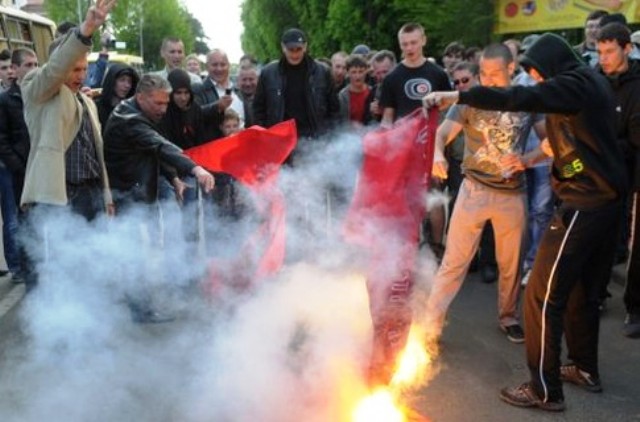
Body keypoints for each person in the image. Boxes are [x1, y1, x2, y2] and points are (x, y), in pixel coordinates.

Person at [424, 32, 627, 412]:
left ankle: (544, 390)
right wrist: (554, 167)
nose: (538, 81)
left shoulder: (573, 84)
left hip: (585, 203)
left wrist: (459, 95)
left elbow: (520, 99)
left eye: (538, 74)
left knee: (540, 294)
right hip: (600, 197)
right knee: (582, 292)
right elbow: (575, 155)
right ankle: (584, 368)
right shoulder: (591, 85)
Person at [425, 44, 546, 345]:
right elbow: (442, 133)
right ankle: (430, 326)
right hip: (473, 191)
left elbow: (551, 142)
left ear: (511, 69)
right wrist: (437, 154)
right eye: (482, 73)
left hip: (512, 195)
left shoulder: (527, 100)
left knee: (511, 264)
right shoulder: (471, 98)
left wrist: (527, 159)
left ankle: (508, 317)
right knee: (454, 262)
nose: (487, 80)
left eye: (494, 74)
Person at [20, 0, 116, 292]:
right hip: (61, 196)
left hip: (91, 195)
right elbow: (54, 70)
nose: (80, 75)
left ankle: (86, 314)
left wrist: (106, 196)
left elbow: (97, 154)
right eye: (74, 68)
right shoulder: (38, 89)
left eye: (84, 69)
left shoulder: (87, 100)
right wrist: (86, 29)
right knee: (63, 267)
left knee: (92, 263)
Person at [103, 74, 215, 322]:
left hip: (138, 191)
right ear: (141, 97)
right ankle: (140, 311)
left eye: (166, 103)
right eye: (158, 103)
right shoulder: (129, 119)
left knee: (141, 250)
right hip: (129, 195)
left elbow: (150, 151)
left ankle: (140, 303)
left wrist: (173, 178)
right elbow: (160, 145)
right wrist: (196, 169)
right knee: (135, 253)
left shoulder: (137, 112)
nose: (164, 109)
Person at [596, 22, 640, 338]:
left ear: (627, 48)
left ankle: (634, 307)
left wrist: (605, 142)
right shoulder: (595, 81)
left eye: (610, 51)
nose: (604, 58)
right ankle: (595, 295)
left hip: (633, 174)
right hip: (598, 175)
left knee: (635, 243)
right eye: (600, 52)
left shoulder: (638, 85)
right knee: (598, 237)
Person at [253, 28, 339, 154]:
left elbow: (334, 110)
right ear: (283, 47)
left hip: (314, 141)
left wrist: (329, 137)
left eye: (298, 49)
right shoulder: (268, 73)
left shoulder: (322, 72)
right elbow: (258, 109)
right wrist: (266, 136)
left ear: (305, 47)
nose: (295, 54)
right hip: (280, 142)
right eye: (291, 50)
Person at [0, 48, 38, 284]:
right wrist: (19, 168)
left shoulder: (41, 94)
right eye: (28, 65)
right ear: (15, 69)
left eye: (36, 64)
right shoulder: (6, 100)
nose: (33, 69)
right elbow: (2, 141)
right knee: (22, 223)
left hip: (41, 170)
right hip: (20, 173)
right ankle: (24, 271)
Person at [192, 49, 246, 138]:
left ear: (228, 65)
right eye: (214, 65)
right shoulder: (198, 89)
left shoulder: (239, 89)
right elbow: (194, 116)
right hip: (216, 145)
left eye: (223, 64)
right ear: (207, 66)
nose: (219, 69)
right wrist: (217, 107)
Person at [338, 54, 372, 126]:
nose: (357, 76)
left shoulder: (373, 92)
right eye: (354, 72)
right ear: (348, 73)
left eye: (361, 71)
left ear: (366, 71)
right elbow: (340, 121)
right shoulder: (342, 96)